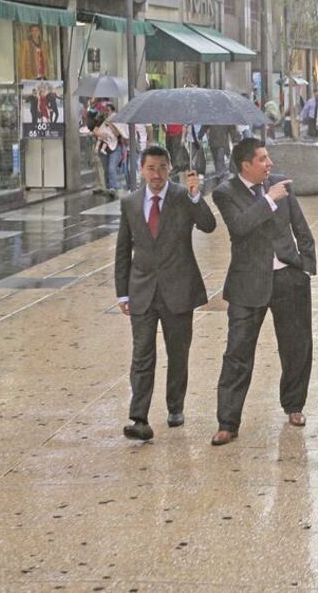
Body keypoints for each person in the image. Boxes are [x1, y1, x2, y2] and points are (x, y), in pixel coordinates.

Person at [209, 138, 317, 446]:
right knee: (237, 353)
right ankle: (227, 422)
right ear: (246, 165)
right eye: (262, 159)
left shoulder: (282, 185)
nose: (269, 164)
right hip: (247, 283)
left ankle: (294, 405)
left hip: (288, 278)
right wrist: (268, 200)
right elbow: (240, 227)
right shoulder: (225, 193)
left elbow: (301, 227)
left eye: (268, 158)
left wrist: (306, 265)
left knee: (297, 347)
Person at [115, 147, 216, 441]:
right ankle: (139, 417)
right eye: (151, 168)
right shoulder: (130, 203)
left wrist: (197, 196)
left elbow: (209, 226)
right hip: (142, 291)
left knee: (178, 352)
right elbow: (123, 251)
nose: (156, 174)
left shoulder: (184, 197)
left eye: (161, 168)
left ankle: (175, 406)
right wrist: (123, 293)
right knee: (142, 354)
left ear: (170, 169)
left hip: (178, 289)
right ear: (141, 170)